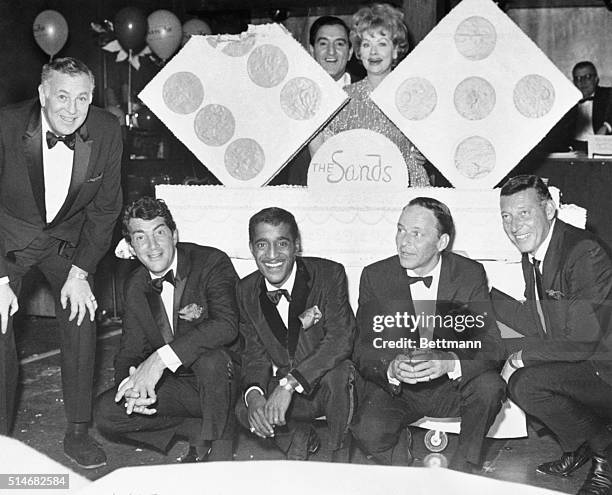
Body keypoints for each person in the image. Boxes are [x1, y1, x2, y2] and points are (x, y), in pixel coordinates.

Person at [0, 57, 122, 468]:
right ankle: (2, 442)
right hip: (9, 240)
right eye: (62, 97)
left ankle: (77, 431)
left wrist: (81, 272)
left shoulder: (105, 131)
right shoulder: (6, 126)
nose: (72, 110)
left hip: (67, 242)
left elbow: (106, 211)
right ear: (42, 94)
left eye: (83, 98)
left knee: (82, 314)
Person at [352, 197, 504, 472]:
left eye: (417, 234)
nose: (403, 242)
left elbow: (491, 345)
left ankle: (462, 472)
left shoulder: (468, 274)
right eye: (400, 230)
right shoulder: (375, 276)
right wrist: (391, 367)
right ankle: (405, 469)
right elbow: (362, 348)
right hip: (400, 390)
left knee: (489, 387)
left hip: (450, 387)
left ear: (442, 242)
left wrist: (449, 361)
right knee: (367, 432)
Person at [491, 175, 612, 495]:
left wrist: (521, 356)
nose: (514, 225)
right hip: (587, 360)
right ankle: (581, 445)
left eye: (524, 213)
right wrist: (484, 301)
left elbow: (582, 340)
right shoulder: (533, 252)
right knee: (518, 376)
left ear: (549, 210)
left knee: (526, 383)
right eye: (506, 216)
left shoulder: (583, 252)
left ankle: (606, 453)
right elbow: (540, 323)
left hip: (605, 367)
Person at [95, 197, 239, 462]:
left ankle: (221, 459)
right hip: (184, 388)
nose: (152, 246)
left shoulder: (210, 262)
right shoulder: (136, 284)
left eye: (159, 233)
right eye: (141, 238)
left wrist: (160, 360)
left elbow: (226, 326)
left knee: (211, 361)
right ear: (131, 247)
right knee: (107, 412)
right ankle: (200, 431)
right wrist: (131, 389)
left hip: (227, 381)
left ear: (174, 235)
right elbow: (130, 351)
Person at [235, 207, 356, 461]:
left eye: (282, 244)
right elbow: (254, 354)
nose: (272, 255)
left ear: (297, 246)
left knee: (340, 374)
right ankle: (295, 436)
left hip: (324, 385)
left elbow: (340, 339)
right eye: (261, 245)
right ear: (251, 248)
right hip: (285, 392)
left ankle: (340, 460)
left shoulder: (328, 274)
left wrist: (290, 384)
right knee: (242, 408)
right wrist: (255, 395)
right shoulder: (246, 290)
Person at [310, 3, 430, 187]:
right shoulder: (342, 98)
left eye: (382, 43)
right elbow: (321, 157)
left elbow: (436, 142)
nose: (373, 52)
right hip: (358, 197)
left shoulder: (414, 95)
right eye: (366, 44)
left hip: (408, 192)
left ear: (396, 49)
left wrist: (426, 152)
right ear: (358, 52)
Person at [272, 16, 354, 186]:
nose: (331, 52)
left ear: (350, 52)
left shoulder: (368, 93)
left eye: (339, 44)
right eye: (323, 43)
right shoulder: (291, 96)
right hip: (301, 192)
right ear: (311, 50)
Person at [545, 61, 612, 152]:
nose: (583, 82)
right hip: (572, 151)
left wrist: (606, 126)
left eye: (587, 77)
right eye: (578, 78)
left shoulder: (608, 94)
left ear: (596, 79)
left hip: (602, 150)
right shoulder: (566, 101)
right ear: (574, 82)